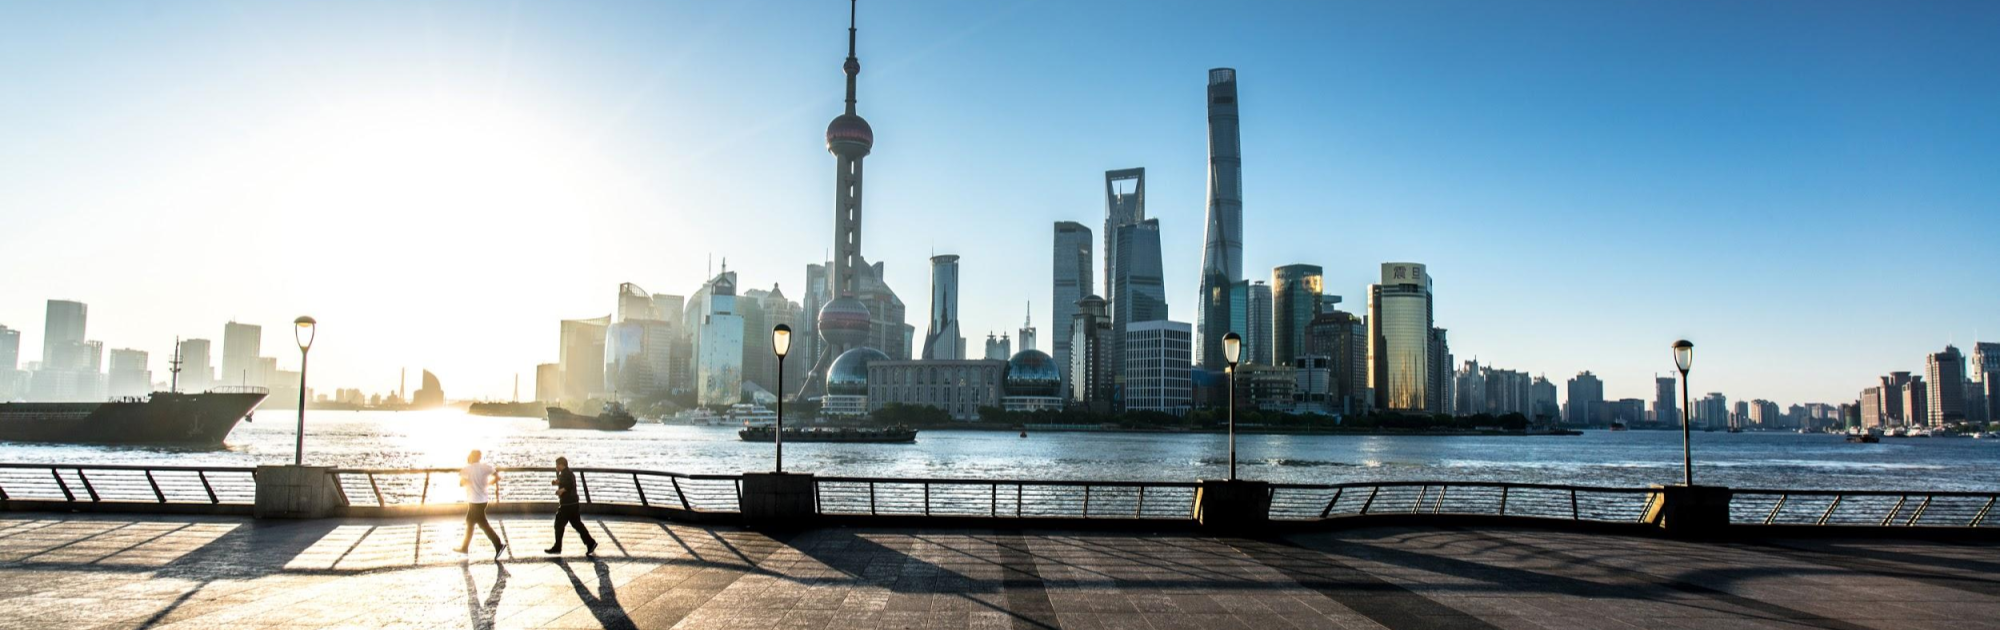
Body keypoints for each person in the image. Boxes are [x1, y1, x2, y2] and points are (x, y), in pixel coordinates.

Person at [455, 450, 505, 555]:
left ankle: (499, 545)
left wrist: (468, 482)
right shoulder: (485, 467)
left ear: (471, 457)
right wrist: (489, 484)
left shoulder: (466, 469)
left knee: (482, 524)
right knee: (470, 522)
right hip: (483, 500)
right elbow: (498, 476)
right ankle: (464, 548)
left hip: (474, 501)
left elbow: (461, 483)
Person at [545, 456, 598, 555]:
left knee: (558, 524)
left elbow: (569, 485)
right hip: (573, 503)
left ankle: (557, 547)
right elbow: (568, 483)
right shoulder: (568, 473)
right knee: (577, 524)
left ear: (561, 465)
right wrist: (558, 482)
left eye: (557, 464)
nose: (556, 466)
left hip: (567, 504)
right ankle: (590, 543)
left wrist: (561, 490)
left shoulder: (565, 474)